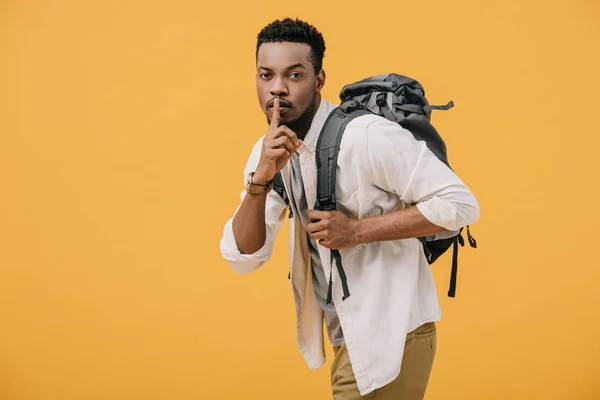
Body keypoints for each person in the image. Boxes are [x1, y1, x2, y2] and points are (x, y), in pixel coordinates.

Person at [219, 17, 480, 400]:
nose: (277, 89)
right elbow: (243, 257)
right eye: (266, 75)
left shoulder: (366, 137)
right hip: (349, 338)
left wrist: (356, 232)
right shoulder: (270, 152)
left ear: (318, 79)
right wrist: (259, 184)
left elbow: (460, 204)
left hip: (395, 331)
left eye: (294, 75)